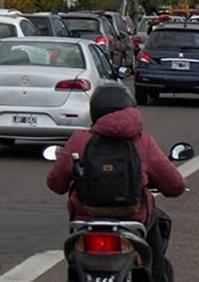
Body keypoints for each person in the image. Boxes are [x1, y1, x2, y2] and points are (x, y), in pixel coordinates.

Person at [47, 83, 187, 282]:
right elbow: (175, 186)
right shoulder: (144, 142)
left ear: (94, 111)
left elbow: (55, 184)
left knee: (74, 262)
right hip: (134, 221)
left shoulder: (80, 140)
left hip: (86, 221)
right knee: (157, 249)